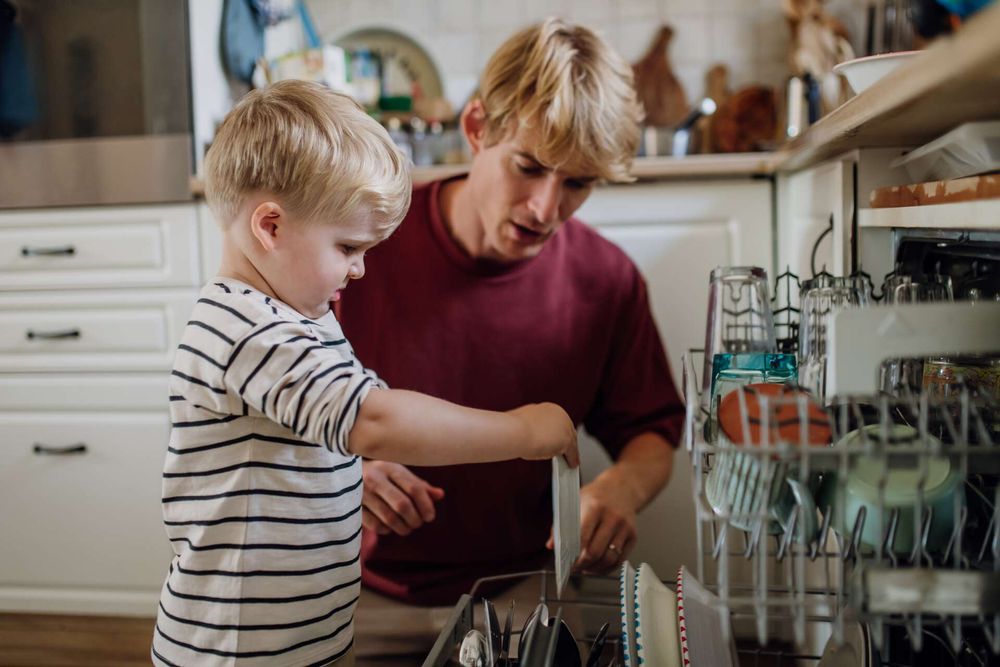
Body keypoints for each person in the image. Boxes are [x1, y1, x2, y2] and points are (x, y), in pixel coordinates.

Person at [151, 80, 579, 667]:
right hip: (236, 649)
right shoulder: (243, 327)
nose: (359, 270)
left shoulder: (300, 317)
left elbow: (348, 413)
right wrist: (524, 431)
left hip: (307, 636)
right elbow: (372, 420)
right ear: (270, 227)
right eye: (348, 247)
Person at [339, 18, 686, 663]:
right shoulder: (358, 251)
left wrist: (620, 490)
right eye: (529, 167)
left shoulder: (605, 280)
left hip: (525, 594)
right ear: (477, 128)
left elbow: (652, 431)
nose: (545, 210)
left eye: (578, 183)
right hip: (355, 588)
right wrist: (342, 471)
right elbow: (267, 409)